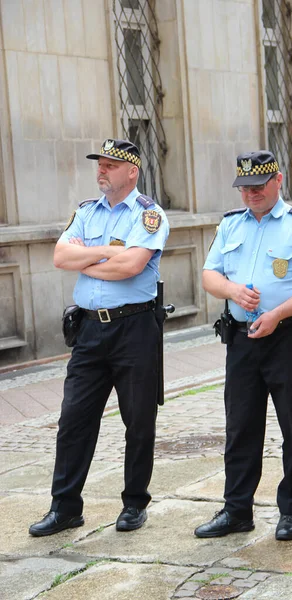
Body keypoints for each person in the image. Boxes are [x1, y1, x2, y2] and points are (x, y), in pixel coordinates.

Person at [194, 150, 292, 541]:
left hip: (290, 338)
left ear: (278, 180)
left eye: (258, 186)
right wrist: (233, 291)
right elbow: (209, 275)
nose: (251, 194)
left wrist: (278, 313)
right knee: (240, 426)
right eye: (245, 188)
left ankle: (291, 509)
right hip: (241, 340)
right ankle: (236, 509)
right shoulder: (230, 226)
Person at [29, 138, 169, 537]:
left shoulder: (149, 215)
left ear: (131, 172)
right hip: (89, 330)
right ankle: (65, 507)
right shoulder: (86, 212)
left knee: (138, 420)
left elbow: (131, 266)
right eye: (100, 164)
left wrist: (88, 256)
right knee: (73, 419)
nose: (101, 170)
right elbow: (59, 257)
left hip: (135, 329)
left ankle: (134, 504)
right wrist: (107, 253)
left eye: (110, 164)